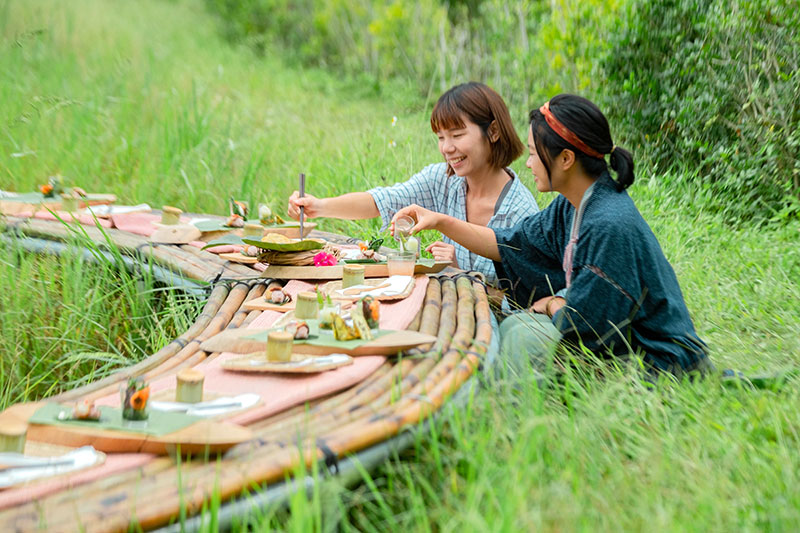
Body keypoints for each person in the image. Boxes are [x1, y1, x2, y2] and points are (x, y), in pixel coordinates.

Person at [390, 94, 713, 380]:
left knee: (522, 338)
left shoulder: (608, 223)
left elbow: (589, 325)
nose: (528, 163)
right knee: (516, 328)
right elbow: (512, 244)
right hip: (607, 331)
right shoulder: (572, 205)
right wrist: (441, 222)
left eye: (533, 153)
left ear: (566, 159)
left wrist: (555, 303)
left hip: (656, 354)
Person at [287, 82, 539, 284]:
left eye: (457, 135)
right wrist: (317, 206)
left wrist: (459, 273)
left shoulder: (520, 212)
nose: (447, 148)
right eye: (441, 137)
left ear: (493, 132)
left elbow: (519, 302)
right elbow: (381, 201)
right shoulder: (443, 180)